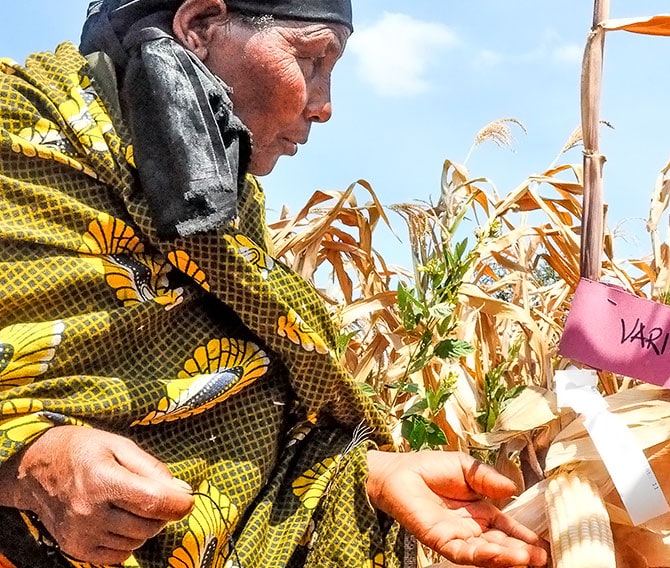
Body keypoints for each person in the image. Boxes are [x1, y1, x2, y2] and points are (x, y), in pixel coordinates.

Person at [0, 1, 549, 567]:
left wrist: (374, 475)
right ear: (201, 27)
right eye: (311, 59)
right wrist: (26, 467)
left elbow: (244, 420)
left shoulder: (227, 215)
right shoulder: (14, 134)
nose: (325, 105)